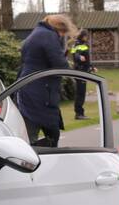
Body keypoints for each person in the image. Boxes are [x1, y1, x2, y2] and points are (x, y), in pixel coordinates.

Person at [16, 14, 77, 147]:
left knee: (31, 129)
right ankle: (43, 156)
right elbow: (59, 64)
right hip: (41, 91)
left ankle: (32, 153)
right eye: (63, 33)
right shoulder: (48, 36)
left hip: (29, 87)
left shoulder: (37, 33)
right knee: (50, 133)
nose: (62, 36)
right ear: (60, 28)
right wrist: (72, 71)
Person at [70, 29, 97, 120]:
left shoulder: (83, 44)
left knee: (81, 93)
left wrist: (91, 67)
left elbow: (87, 59)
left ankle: (79, 113)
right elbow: (76, 55)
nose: (87, 37)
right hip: (80, 72)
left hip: (83, 71)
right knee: (80, 93)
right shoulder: (77, 44)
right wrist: (79, 57)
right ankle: (79, 114)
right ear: (82, 36)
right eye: (86, 36)